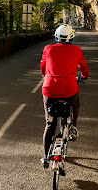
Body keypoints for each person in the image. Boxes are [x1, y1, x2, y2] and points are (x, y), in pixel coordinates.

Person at [40, 24, 89, 165]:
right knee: (74, 104)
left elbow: (43, 67)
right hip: (69, 90)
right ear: (72, 37)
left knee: (50, 124)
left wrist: (46, 74)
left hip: (49, 90)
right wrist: (85, 76)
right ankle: (73, 125)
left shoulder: (48, 48)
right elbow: (83, 67)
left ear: (56, 37)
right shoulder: (76, 50)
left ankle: (45, 157)